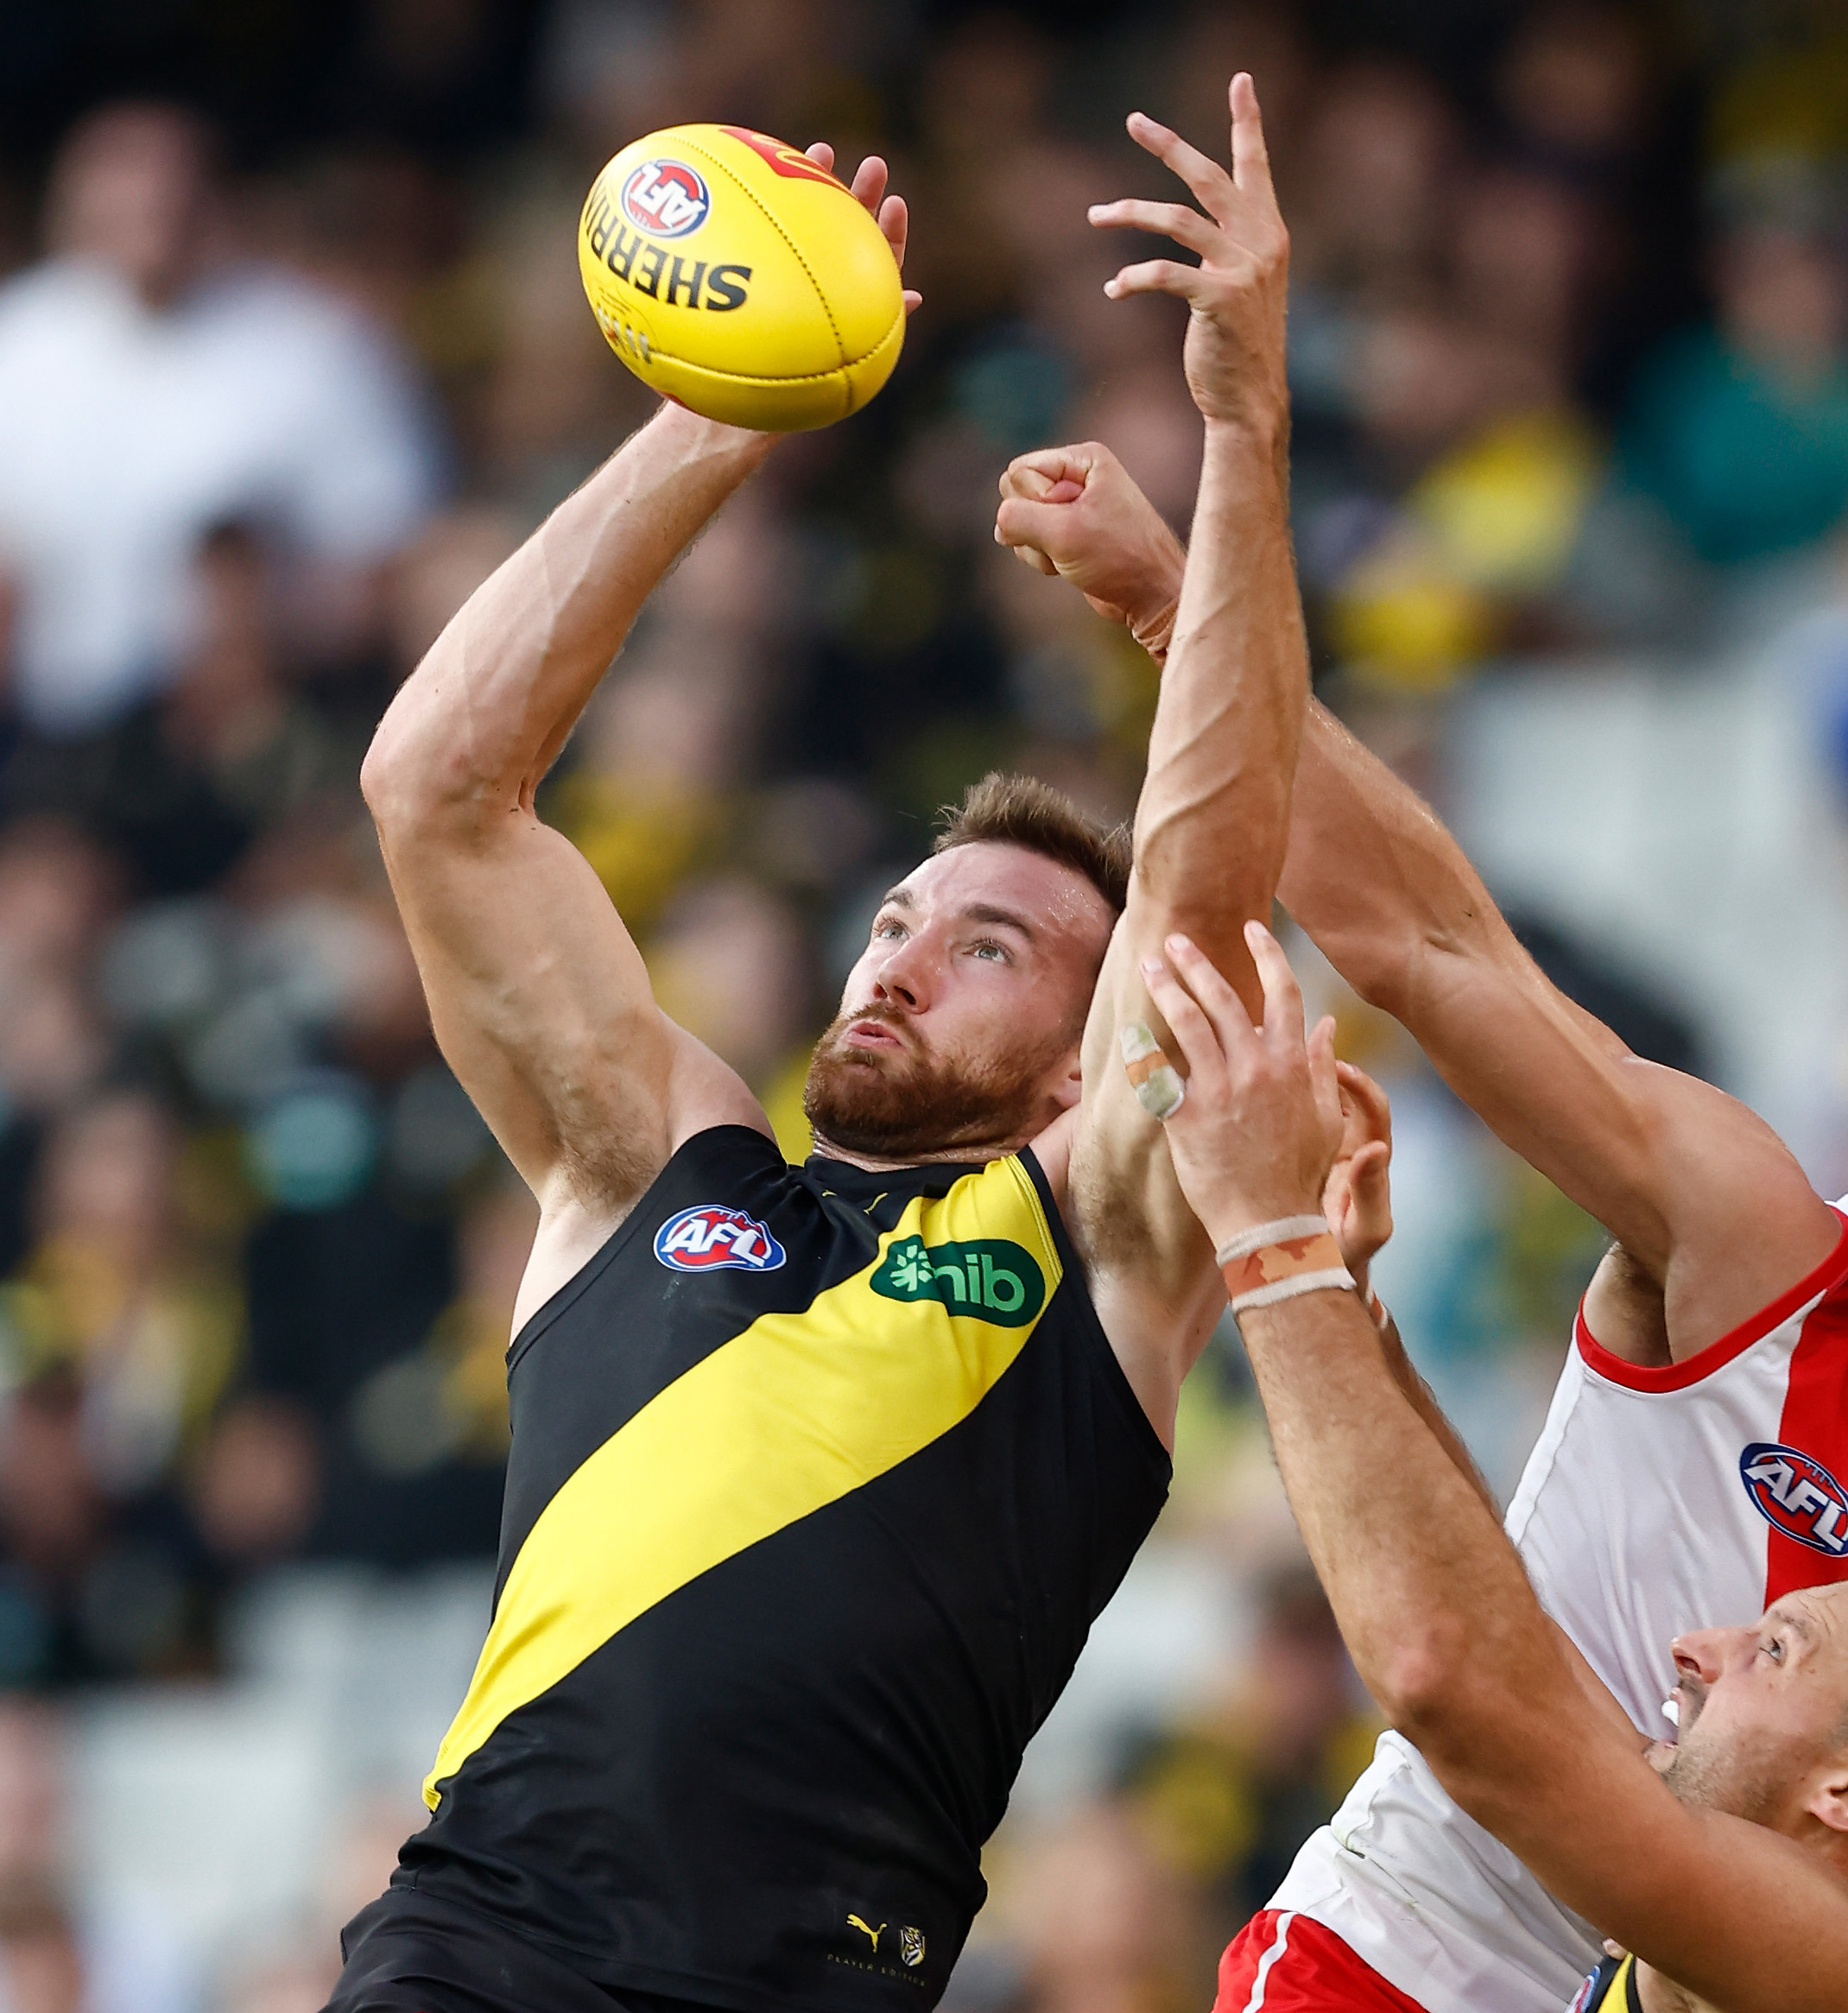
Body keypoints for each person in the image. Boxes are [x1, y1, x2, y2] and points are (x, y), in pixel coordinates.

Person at [997, 480, 1848, 2013]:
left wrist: (1770, 1956)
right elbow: (1421, 941)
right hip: (1401, 1949)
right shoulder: (1758, 1238)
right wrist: (1173, 598)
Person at [326, 81, 1319, 2013]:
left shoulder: (1088, 1239)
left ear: (1075, 1062)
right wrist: (720, 407)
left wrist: (1239, 431)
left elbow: (1206, 874)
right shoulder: (651, 1165)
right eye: (891, 922)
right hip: (472, 1945)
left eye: (987, 944)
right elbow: (437, 792)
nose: (898, 962)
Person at [1127, 917, 1848, 2013]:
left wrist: (1267, 1233)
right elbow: (1518, 1644)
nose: (1694, 1647)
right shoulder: (1785, 1941)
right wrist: (1351, 1308)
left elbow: (1450, 1677)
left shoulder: (1826, 1976)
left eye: (1773, 1647)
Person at [0, 102, 438, 738]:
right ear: (69, 207)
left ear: (213, 200)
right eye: (122, 199)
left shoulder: (318, 344)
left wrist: (268, 622)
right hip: (34, 730)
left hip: (262, 726)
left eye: (167, 198)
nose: (149, 221)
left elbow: (386, 552)